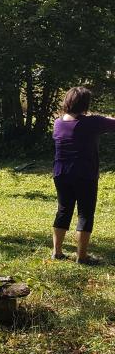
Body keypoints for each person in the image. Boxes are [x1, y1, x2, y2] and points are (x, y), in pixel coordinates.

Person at [51, 87, 115, 264]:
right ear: (85, 104)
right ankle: (82, 256)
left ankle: (57, 252)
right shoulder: (92, 122)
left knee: (63, 210)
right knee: (85, 213)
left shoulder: (58, 123)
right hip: (85, 173)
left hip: (61, 173)